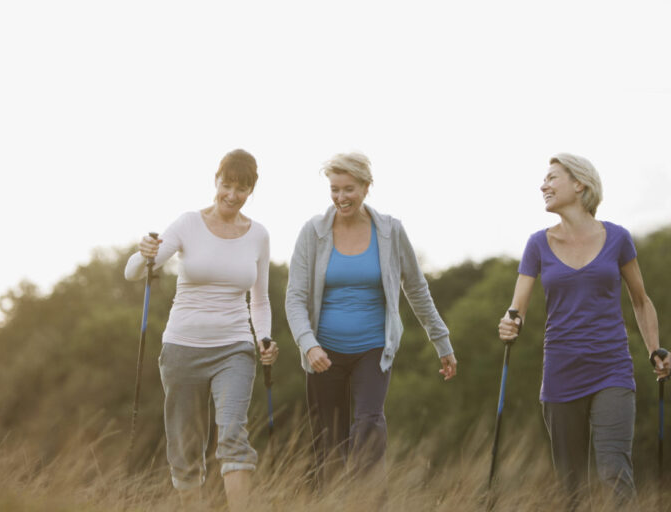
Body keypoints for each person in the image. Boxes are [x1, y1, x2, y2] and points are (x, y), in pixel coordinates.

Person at [497, 153, 670, 507]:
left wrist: (655, 348)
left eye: (551, 178)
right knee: (571, 485)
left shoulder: (618, 239)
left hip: (612, 369)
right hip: (561, 373)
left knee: (614, 472)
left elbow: (640, 300)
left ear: (579, 184)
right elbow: (518, 307)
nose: (543, 185)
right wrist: (509, 323)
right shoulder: (538, 244)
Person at [285, 152, 457, 493]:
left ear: (366, 187)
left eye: (348, 189)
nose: (340, 197)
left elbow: (417, 290)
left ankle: (368, 501)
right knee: (328, 443)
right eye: (334, 189)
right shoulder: (313, 232)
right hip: (323, 352)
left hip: (373, 348)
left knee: (369, 426)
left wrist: (443, 342)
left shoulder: (390, 231)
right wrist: (308, 344)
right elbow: (294, 297)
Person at [124, 149, 279, 511]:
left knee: (233, 435)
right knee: (186, 444)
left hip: (235, 348)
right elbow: (135, 272)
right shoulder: (188, 224)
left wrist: (264, 339)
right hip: (182, 347)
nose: (232, 194)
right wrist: (143, 252)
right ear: (216, 181)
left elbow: (259, 300)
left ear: (250, 191)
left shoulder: (258, 235)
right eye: (227, 184)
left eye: (242, 188)